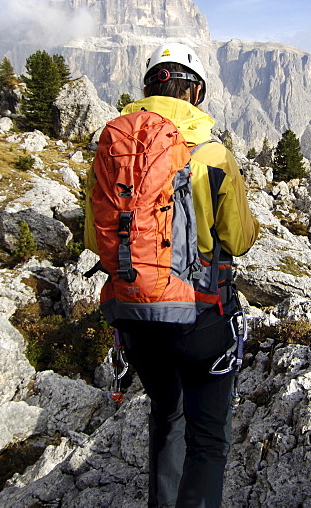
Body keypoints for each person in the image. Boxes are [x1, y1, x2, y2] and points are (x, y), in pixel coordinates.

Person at [85, 42, 260, 507]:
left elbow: (92, 237)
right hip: (200, 316)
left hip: (131, 315)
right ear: (197, 93)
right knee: (208, 440)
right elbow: (240, 240)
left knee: (167, 416)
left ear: (145, 90)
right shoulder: (212, 153)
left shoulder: (112, 148)